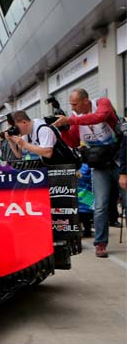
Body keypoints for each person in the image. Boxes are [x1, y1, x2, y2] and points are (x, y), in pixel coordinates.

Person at [53, 88, 119, 258]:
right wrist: (63, 129)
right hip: (99, 165)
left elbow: (100, 117)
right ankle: (100, 244)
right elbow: (72, 142)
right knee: (100, 205)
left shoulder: (101, 103)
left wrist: (72, 120)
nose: (73, 108)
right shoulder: (76, 119)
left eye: (75, 104)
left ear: (85, 101)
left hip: (120, 161)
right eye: (71, 105)